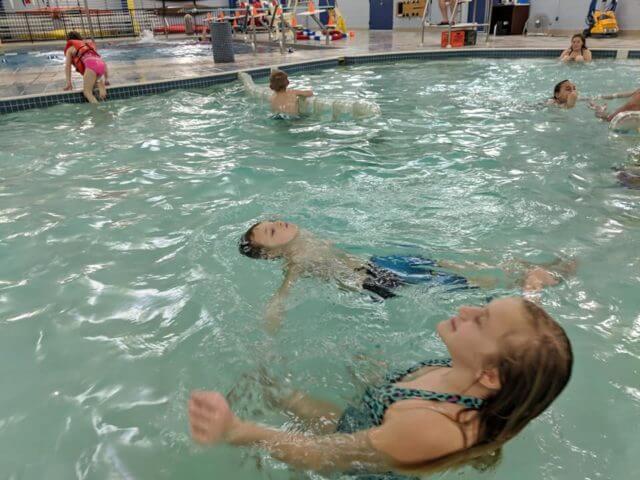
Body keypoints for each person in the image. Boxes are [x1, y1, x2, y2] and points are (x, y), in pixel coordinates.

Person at [188, 296, 573, 477]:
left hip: (355, 470)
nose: (467, 310)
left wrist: (237, 431)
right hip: (367, 430)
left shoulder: (434, 426)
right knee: (274, 388)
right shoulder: (464, 373)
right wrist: (377, 379)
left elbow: (326, 457)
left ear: (490, 375)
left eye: (482, 320)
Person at [238, 220, 574, 331]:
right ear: (271, 254)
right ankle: (531, 283)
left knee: (457, 264)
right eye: (272, 232)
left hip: (380, 262)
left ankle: (530, 270)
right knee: (461, 281)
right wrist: (273, 315)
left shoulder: (304, 239)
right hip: (376, 279)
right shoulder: (297, 259)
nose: (279, 224)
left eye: (273, 221)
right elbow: (286, 289)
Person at [63, 31, 108, 104]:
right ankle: (99, 82)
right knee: (92, 83)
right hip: (101, 64)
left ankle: (99, 109)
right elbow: (100, 59)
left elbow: (68, 67)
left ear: (68, 40)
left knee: (87, 93)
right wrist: (106, 78)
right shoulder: (87, 45)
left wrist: (69, 83)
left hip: (91, 66)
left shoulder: (70, 49)